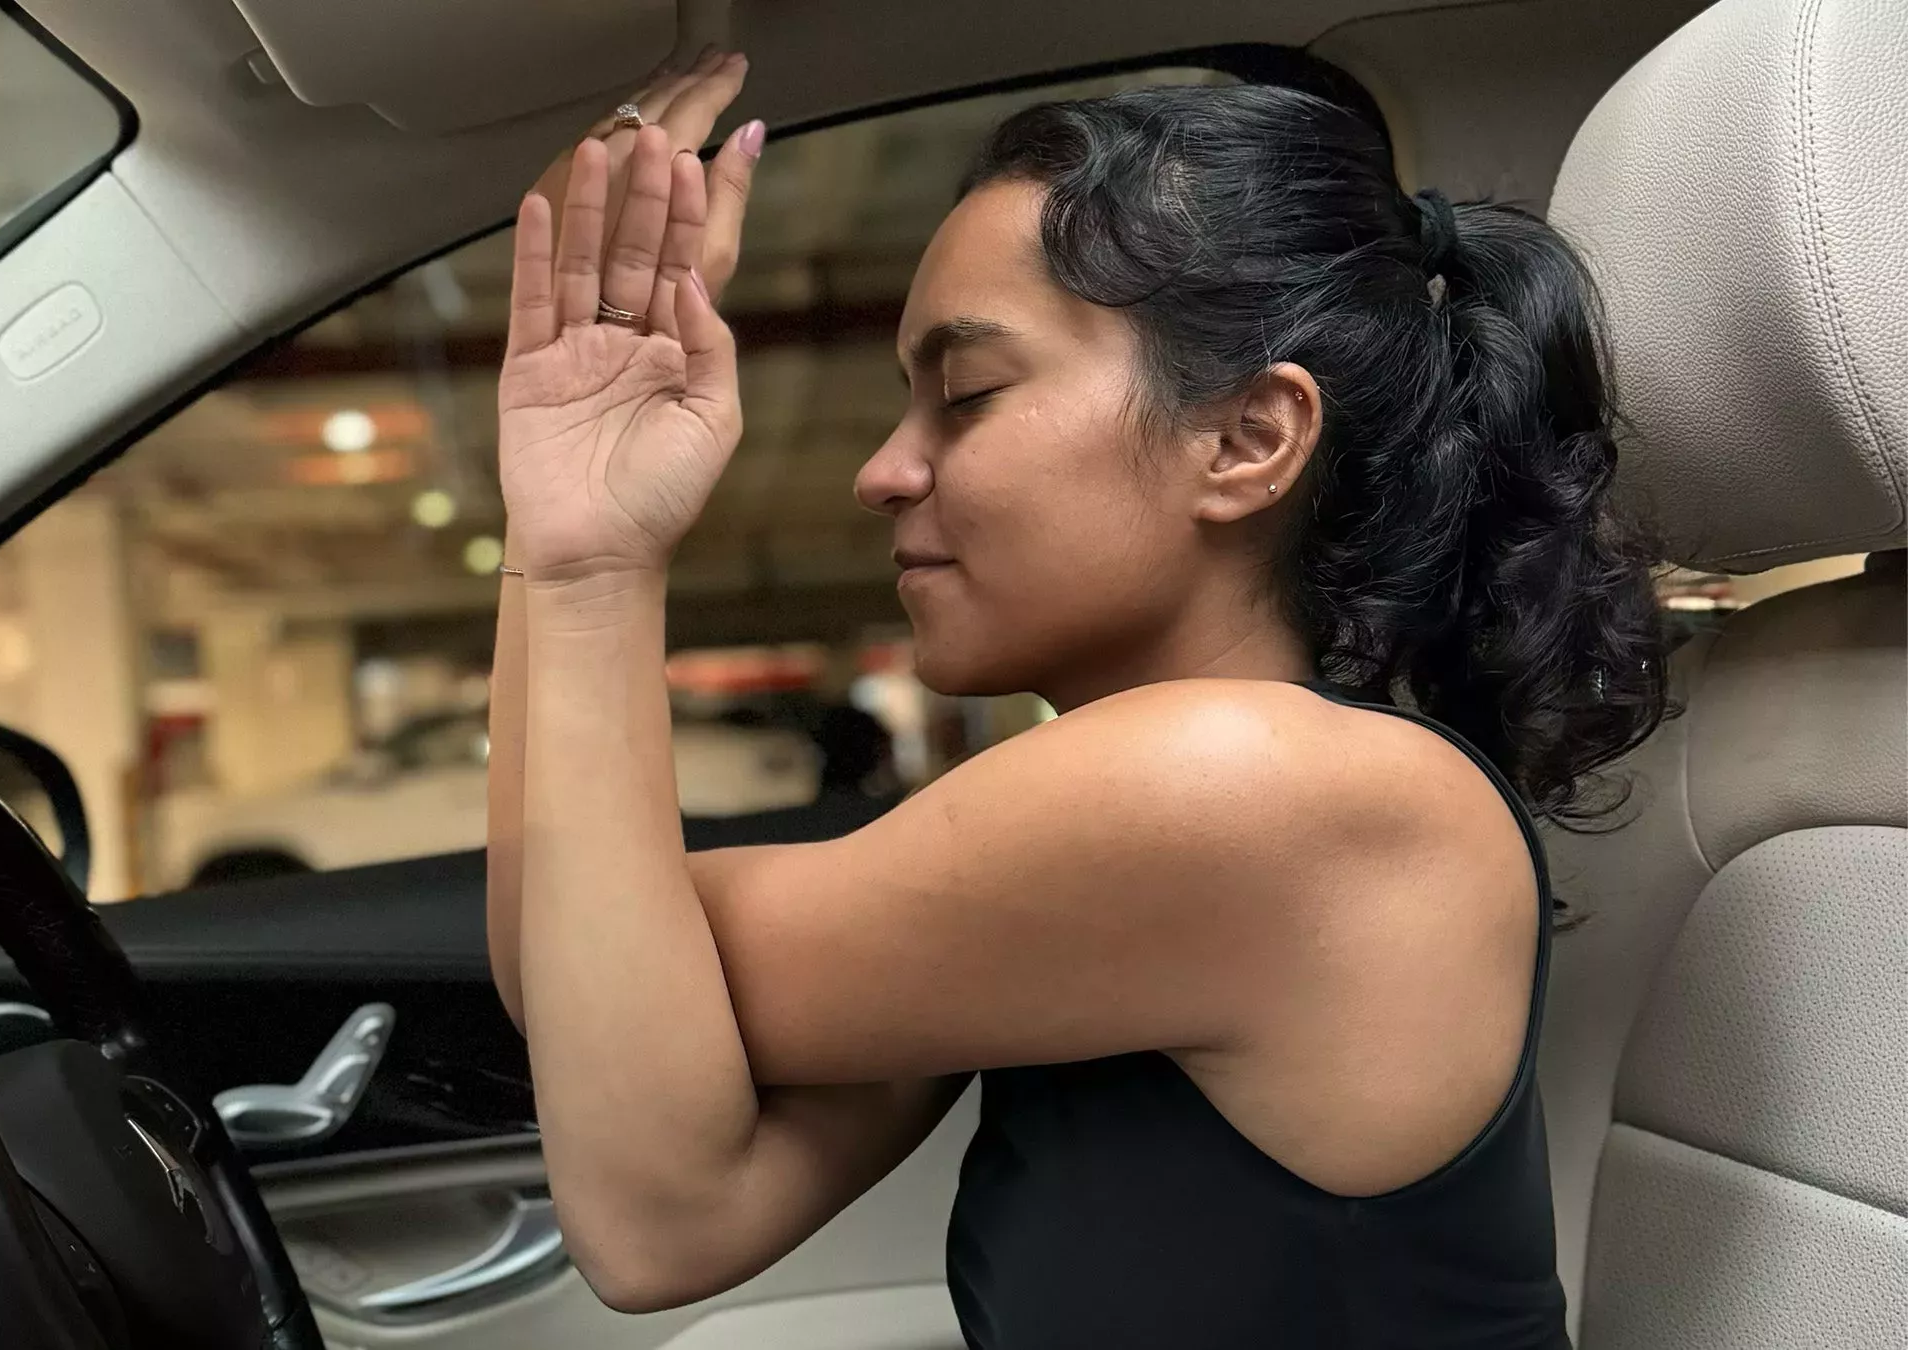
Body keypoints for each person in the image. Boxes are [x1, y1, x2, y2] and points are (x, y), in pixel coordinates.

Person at [484, 51, 1665, 1350]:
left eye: (968, 394)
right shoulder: (1160, 825)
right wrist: (567, 542)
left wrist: (591, 563)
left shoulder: (1250, 783)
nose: (885, 470)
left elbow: (604, 989)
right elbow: (669, 1202)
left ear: (1249, 439)